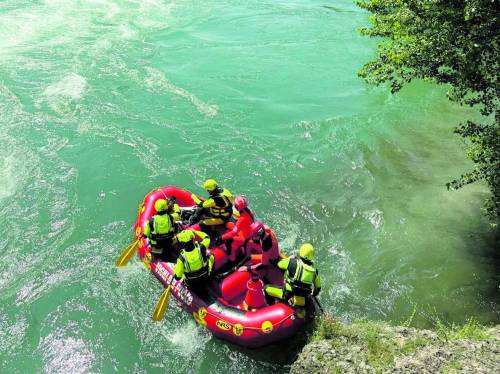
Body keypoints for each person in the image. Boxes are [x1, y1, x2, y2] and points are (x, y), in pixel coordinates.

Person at [173, 229, 214, 297]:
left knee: (180, 270)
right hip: (205, 277)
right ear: (192, 240)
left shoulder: (181, 258)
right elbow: (207, 237)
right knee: (211, 256)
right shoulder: (201, 247)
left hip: (192, 284)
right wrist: (195, 231)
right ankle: (210, 274)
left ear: (182, 243)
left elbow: (177, 277)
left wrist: (175, 270)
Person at [220, 196, 256, 262]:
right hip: (248, 232)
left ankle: (232, 258)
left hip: (244, 237)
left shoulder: (241, 219)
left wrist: (221, 237)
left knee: (228, 241)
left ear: (236, 207)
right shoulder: (249, 211)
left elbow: (234, 233)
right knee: (229, 224)